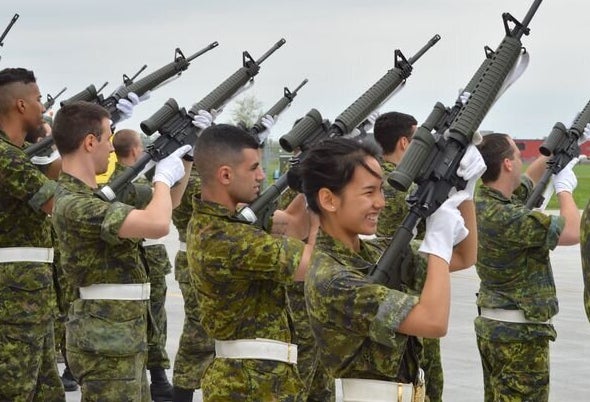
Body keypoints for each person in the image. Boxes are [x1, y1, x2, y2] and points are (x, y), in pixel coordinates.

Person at [299, 137, 483, 402]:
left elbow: (464, 256)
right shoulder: (331, 278)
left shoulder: (374, 253)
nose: (381, 202)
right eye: (368, 192)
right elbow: (433, 321)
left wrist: (464, 191)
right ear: (328, 199)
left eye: (381, 191)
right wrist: (439, 242)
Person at [50, 100, 192, 401]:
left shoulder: (93, 196)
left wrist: (186, 151)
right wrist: (162, 178)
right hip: (105, 343)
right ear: (90, 142)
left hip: (122, 337)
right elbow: (158, 223)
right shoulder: (74, 204)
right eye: (107, 138)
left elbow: (171, 202)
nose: (112, 148)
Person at [186, 123, 316, 401]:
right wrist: (322, 202)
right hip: (250, 384)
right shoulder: (228, 238)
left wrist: (309, 187)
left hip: (255, 377)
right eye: (254, 168)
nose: (260, 175)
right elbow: (315, 265)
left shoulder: (224, 222)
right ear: (225, 174)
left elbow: (294, 226)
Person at [170, 115, 272, 402]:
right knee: (197, 335)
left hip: (221, 254)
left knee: (210, 336)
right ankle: (182, 393)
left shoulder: (233, 183)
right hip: (198, 256)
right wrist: (190, 150)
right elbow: (179, 204)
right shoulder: (197, 184)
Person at [474, 133, 581, 401]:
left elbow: (529, 182)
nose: (523, 161)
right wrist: (564, 187)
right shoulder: (509, 216)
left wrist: (554, 153)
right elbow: (573, 230)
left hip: (496, 327)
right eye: (518, 156)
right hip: (518, 335)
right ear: (508, 164)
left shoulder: (486, 201)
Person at [0, 67, 66, 401]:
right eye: (39, 100)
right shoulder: (4, 157)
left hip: (30, 296)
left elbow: (50, 181)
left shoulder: (14, 154)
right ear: (21, 106)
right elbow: (56, 203)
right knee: (14, 391)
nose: (44, 107)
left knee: (46, 392)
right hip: (13, 299)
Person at [373, 111, 442, 401]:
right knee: (428, 383)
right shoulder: (407, 191)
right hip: (413, 297)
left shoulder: (369, 180)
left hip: (377, 299)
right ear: (405, 143)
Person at [111, 128, 175, 400]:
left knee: (153, 318)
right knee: (153, 318)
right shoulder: (124, 184)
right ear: (136, 150)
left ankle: (157, 378)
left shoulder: (122, 180)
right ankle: (158, 378)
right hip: (145, 255)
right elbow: (163, 213)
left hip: (147, 257)